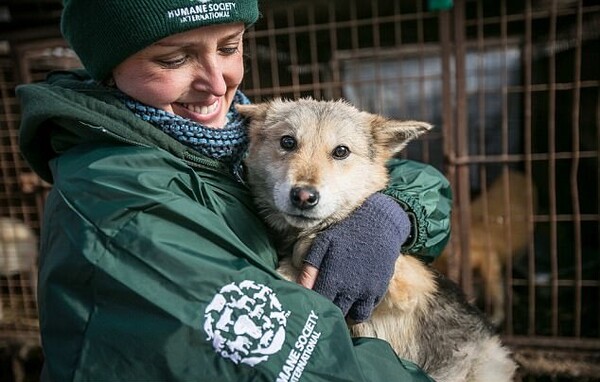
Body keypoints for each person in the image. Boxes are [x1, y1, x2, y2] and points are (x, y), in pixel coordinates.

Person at [17, 1, 451, 381]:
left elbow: (393, 173)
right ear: (111, 65)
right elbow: (306, 367)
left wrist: (395, 211)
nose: (218, 83)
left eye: (228, 47)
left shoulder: (222, 137)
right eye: (173, 59)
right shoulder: (125, 207)